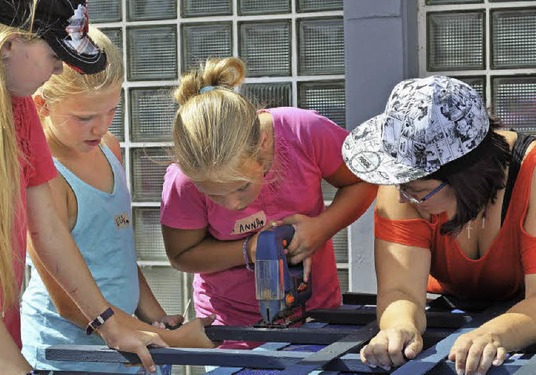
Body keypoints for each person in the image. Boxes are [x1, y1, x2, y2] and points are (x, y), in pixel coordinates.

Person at [0, 1, 167, 374]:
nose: (59, 67)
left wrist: (110, 324)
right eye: (54, 52)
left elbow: (48, 230)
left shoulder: (18, 109)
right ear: (8, 44)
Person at [21, 26, 214, 373]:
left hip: (127, 346)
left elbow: (119, 254)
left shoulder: (109, 147)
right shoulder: (43, 177)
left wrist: (156, 319)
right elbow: (66, 301)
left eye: (111, 111)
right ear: (42, 105)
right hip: (68, 356)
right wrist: (172, 340)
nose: (100, 127)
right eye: (84, 118)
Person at [160, 57, 378, 348]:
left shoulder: (305, 131)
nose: (233, 204)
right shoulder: (182, 180)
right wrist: (248, 250)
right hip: (231, 326)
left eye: (241, 187)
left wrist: (322, 228)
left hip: (318, 315)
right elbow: (182, 254)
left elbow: (363, 179)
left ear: (262, 143)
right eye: (213, 194)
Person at [342, 75, 536, 375]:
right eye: (401, 186)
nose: (403, 199)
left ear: (466, 177)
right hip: (450, 315)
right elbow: (400, 291)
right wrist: (399, 327)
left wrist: (495, 334)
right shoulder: (402, 187)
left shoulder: (532, 177)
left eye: (417, 191)